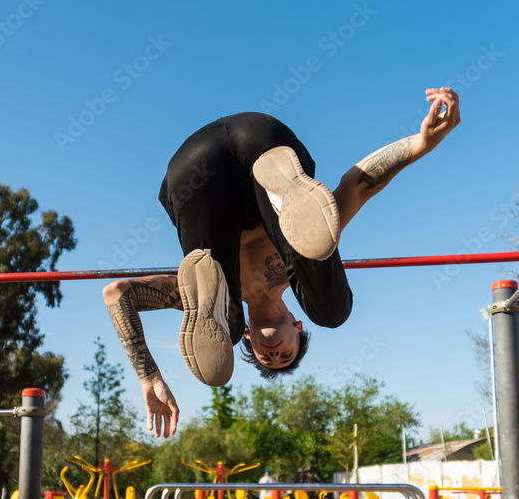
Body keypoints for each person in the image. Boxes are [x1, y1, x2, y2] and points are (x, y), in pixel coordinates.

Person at [104, 88, 461, 438]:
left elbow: (117, 293)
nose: (275, 356)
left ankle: (212, 267)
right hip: (262, 141)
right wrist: (420, 144)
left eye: (267, 359)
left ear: (251, 338)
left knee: (220, 328)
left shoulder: (224, 308)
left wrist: (149, 377)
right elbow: (356, 186)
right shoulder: (305, 277)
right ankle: (283, 191)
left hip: (195, 173)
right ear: (297, 325)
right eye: (287, 355)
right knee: (333, 312)